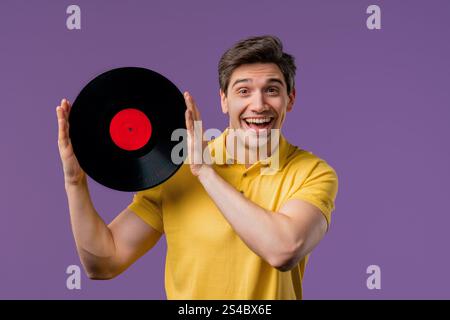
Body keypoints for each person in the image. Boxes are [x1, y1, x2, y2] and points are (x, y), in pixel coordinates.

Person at [56, 35, 338, 300]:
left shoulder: (312, 172)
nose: (259, 104)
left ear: (290, 99)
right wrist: (74, 182)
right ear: (224, 101)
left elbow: (283, 250)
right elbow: (103, 264)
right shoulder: (175, 170)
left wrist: (206, 173)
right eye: (243, 90)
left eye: (272, 90)